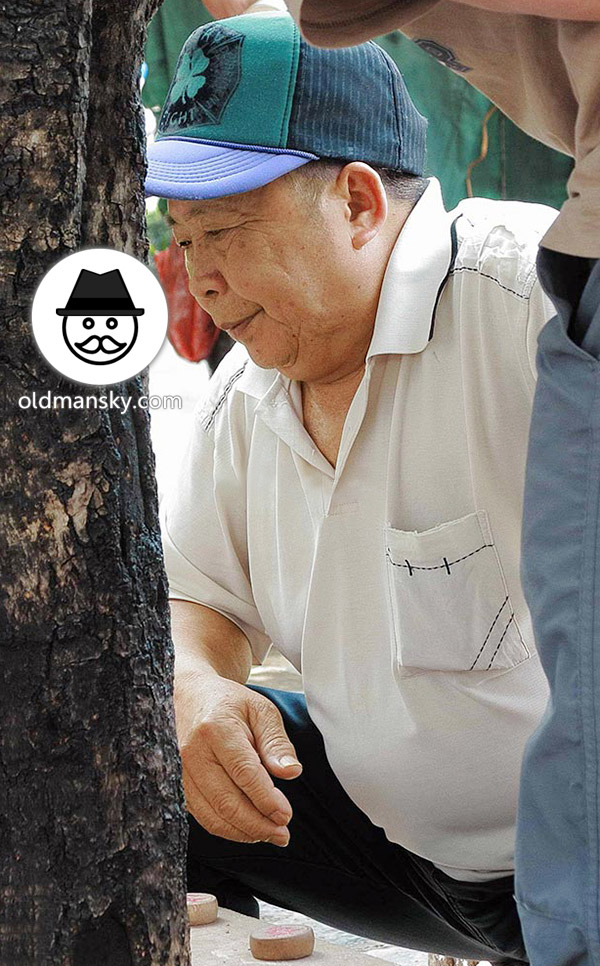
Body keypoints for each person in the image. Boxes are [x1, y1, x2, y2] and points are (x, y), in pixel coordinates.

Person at [146, 9, 560, 964]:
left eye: (226, 232)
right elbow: (194, 595)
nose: (199, 278)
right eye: (184, 239)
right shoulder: (245, 392)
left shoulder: (526, 298)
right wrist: (197, 688)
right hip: (400, 857)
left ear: (362, 203)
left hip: (570, 865)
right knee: (124, 744)